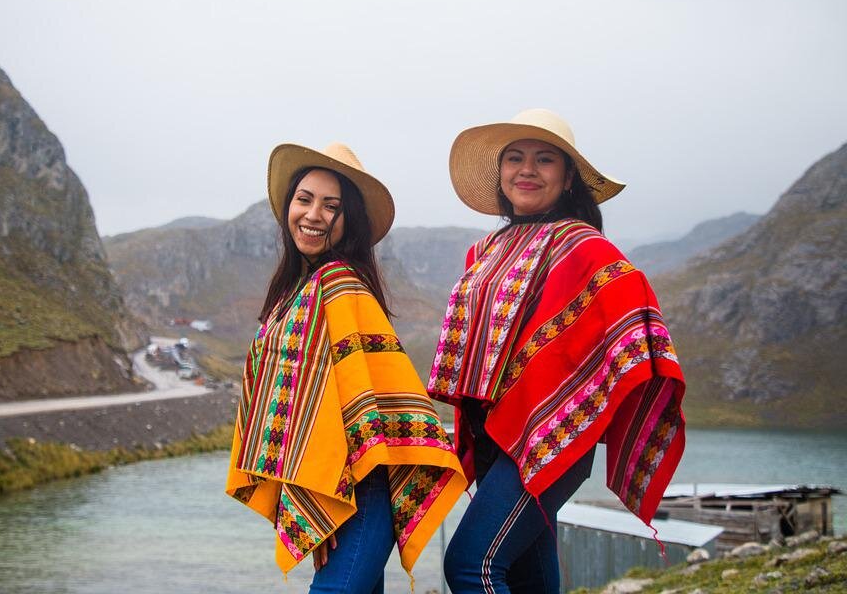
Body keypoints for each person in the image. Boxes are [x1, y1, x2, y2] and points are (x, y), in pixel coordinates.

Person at [428, 109, 687, 594]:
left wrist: (589, 389)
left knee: (470, 565)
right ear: (501, 173)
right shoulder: (484, 250)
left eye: (544, 160)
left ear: (568, 178)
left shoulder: (585, 247)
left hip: (550, 436)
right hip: (491, 434)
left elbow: (634, 315)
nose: (527, 170)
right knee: (527, 574)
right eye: (516, 158)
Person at [226, 142, 466, 594]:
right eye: (304, 199)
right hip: (335, 486)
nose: (313, 215)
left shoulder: (340, 287)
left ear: (348, 220)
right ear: (288, 208)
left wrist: (333, 493)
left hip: (362, 488)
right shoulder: (294, 292)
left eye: (330, 206)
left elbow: (374, 399)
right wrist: (315, 490)